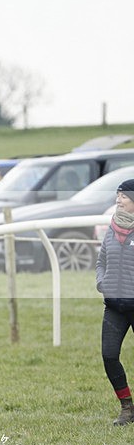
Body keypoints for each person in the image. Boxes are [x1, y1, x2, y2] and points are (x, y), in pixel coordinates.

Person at [96, 178, 134, 426]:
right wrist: (102, 282)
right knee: (109, 356)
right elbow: (101, 261)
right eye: (117, 196)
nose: (118, 200)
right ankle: (127, 409)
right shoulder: (112, 228)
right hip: (115, 307)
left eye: (123, 196)